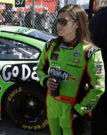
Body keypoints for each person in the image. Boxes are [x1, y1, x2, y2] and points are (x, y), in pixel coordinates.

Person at [36, 4, 105, 135]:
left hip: (73, 111)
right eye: (57, 20)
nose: (58, 25)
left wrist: (79, 110)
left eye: (63, 21)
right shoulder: (50, 45)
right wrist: (45, 81)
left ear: (77, 24)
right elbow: (39, 70)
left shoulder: (90, 52)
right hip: (52, 107)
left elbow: (98, 87)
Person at [89, 6, 107, 135]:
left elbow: (89, 47)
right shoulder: (101, 16)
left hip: (100, 77)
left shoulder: (100, 16)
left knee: (99, 116)